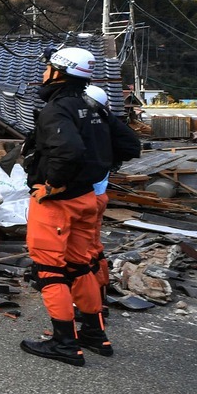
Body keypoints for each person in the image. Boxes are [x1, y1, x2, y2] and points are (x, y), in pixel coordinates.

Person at [20, 47, 113, 367]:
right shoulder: (92, 108)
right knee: (81, 265)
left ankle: (64, 343)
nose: (44, 73)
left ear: (59, 72)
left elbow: (68, 150)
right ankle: (94, 333)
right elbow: (128, 144)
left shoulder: (57, 109)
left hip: (57, 203)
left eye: (48, 68)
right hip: (87, 197)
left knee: (49, 270)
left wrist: (53, 185)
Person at [81, 84, 142, 344]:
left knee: (78, 257)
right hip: (99, 196)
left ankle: (88, 310)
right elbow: (131, 148)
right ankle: (100, 299)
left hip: (82, 199)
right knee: (94, 251)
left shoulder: (88, 130)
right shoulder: (108, 128)